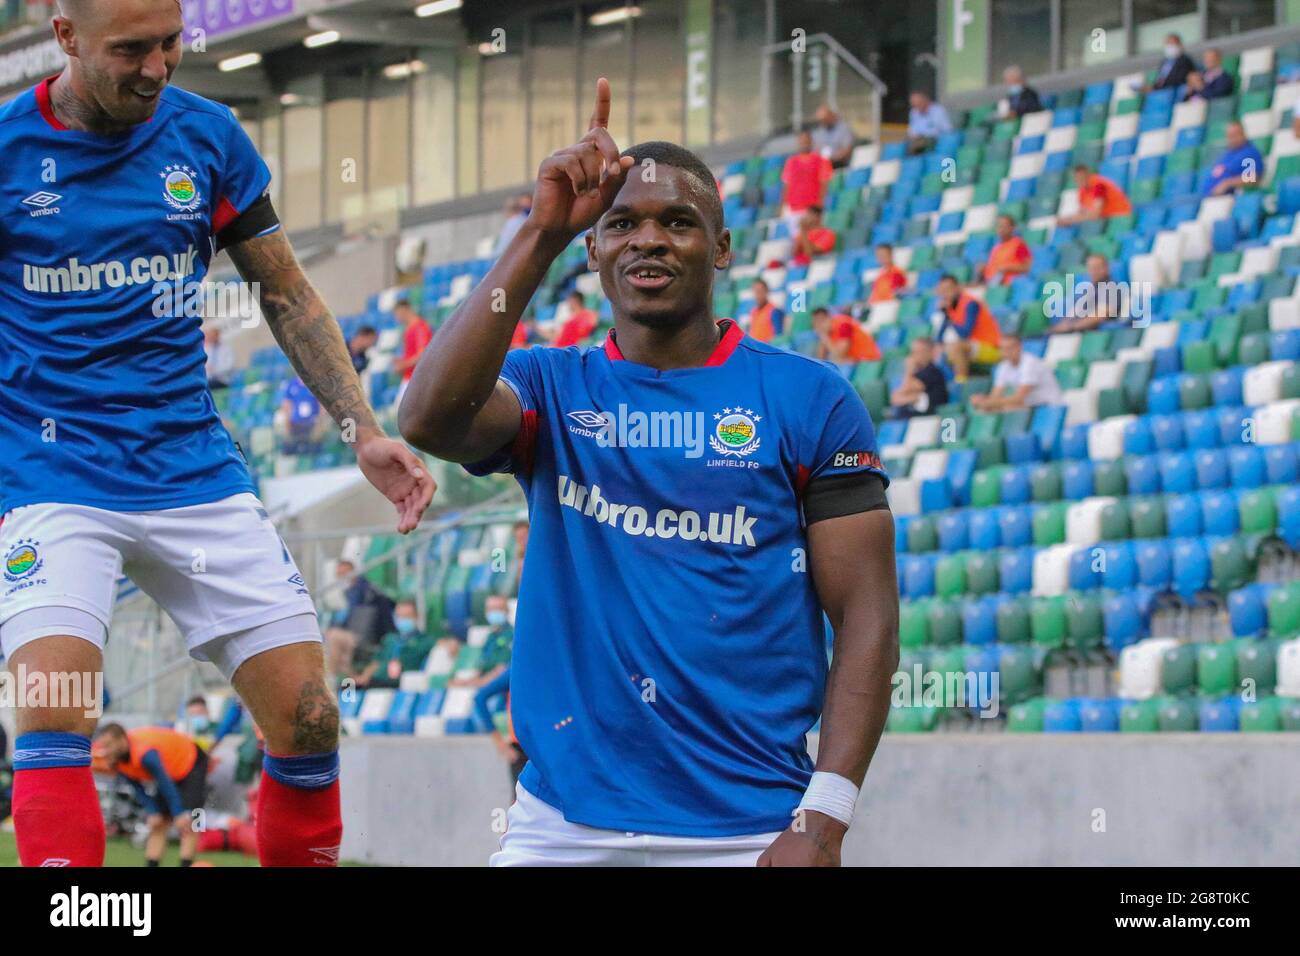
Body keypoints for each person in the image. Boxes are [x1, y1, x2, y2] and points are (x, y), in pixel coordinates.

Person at [399, 79, 897, 867]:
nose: (649, 240)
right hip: (560, 829)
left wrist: (824, 817)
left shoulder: (810, 400)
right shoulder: (548, 387)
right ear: (593, 249)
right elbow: (427, 419)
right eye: (621, 222)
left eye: (678, 223)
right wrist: (541, 232)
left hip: (751, 833)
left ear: (723, 248)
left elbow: (866, 614)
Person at [0, 0, 435, 869]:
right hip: (51, 474)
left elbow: (286, 292)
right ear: (65, 35)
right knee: (54, 706)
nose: (158, 68)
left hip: (192, 467)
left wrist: (361, 429)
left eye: (170, 44)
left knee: (311, 714)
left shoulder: (209, 136)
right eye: (132, 50)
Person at [92, 723, 207, 867]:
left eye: (109, 745)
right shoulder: (116, 759)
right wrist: (153, 811)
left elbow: (164, 781)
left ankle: (186, 864)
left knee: (189, 822)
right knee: (158, 823)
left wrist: (179, 812)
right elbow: (137, 788)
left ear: (122, 740)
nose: (105, 751)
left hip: (192, 760)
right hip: (170, 772)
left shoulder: (145, 753)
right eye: (103, 746)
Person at [323, 558, 396, 682]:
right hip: (351, 638)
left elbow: (383, 623)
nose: (342, 577)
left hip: (366, 639)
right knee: (325, 635)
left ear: (354, 572)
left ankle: (331, 678)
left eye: (345, 573)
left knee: (334, 636)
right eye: (339, 575)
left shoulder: (368, 593)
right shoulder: (347, 594)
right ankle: (343, 679)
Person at [934, 274, 1002, 382]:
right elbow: (939, 338)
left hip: (992, 347)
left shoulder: (970, 303)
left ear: (957, 287)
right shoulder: (950, 307)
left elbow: (965, 333)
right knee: (938, 349)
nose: (946, 293)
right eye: (943, 290)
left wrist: (949, 318)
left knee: (957, 347)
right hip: (973, 348)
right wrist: (945, 314)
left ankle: (961, 383)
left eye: (949, 289)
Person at [970, 333, 1062, 412]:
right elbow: (996, 396)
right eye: (1003, 349)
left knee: (1006, 408)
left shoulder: (1030, 363)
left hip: (1049, 406)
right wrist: (983, 401)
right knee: (990, 410)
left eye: (1010, 348)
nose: (1006, 352)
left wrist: (988, 402)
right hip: (1030, 407)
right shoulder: (1003, 366)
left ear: (1019, 347)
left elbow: (1019, 398)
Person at [355, 599, 434, 689]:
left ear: (416, 617)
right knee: (347, 685)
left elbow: (442, 645)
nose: (402, 620)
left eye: (407, 616)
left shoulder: (425, 641)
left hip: (398, 682)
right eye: (399, 616)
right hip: (377, 680)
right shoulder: (390, 639)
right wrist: (364, 677)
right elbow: (376, 661)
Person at [781, 129, 833, 236]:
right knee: (796, 239)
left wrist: (819, 206)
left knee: (811, 238)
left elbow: (824, 183)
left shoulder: (821, 160)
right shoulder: (791, 161)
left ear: (811, 141)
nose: (804, 143)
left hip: (811, 208)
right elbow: (787, 185)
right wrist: (784, 205)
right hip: (794, 208)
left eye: (806, 140)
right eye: (802, 140)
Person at [1052, 253, 1115, 333]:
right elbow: (1075, 312)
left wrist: (1071, 327)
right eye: (1090, 268)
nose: (1093, 272)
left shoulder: (1111, 288)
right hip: (1076, 330)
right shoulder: (1090, 289)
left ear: (1106, 268)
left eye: (1097, 268)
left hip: (1092, 334)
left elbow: (1100, 315)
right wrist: (1060, 327)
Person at [889, 337, 950, 419]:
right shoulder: (918, 373)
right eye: (913, 352)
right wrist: (909, 398)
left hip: (932, 414)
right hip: (916, 414)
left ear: (929, 352)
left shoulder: (933, 371)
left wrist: (908, 370)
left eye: (918, 352)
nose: (913, 356)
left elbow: (907, 389)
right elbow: (896, 397)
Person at [1204, 121, 1263, 198]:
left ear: (1243, 134)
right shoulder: (1228, 153)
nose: (1231, 139)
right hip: (1208, 198)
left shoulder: (1249, 153)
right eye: (1229, 136)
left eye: (1235, 135)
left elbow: (1252, 177)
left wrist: (1226, 183)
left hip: (1225, 199)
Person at [1058, 164, 1132, 225]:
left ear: (1088, 175)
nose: (1080, 181)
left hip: (1119, 218)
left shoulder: (1098, 185)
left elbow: (1095, 213)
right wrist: (1068, 219)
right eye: (1077, 179)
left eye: (1082, 178)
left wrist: (1070, 220)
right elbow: (1082, 212)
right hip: (1106, 221)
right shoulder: (1082, 191)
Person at [392, 299, 433, 398]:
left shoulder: (419, 327)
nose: (396, 318)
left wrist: (403, 365)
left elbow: (422, 354)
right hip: (410, 376)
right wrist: (402, 362)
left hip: (417, 378)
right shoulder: (408, 329)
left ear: (404, 310)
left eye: (396, 314)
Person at [814, 307, 880, 364]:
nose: (818, 327)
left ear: (827, 318)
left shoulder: (843, 325)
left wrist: (824, 338)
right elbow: (821, 361)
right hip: (855, 361)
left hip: (868, 360)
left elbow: (839, 354)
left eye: (819, 322)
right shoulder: (828, 332)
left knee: (836, 363)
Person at [982, 214, 1032, 286]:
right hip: (993, 284)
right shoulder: (995, 248)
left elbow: (1026, 268)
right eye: (999, 226)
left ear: (1012, 228)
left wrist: (1008, 268)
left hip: (1010, 285)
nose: (1001, 229)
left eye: (1004, 226)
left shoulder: (1018, 244)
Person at [278, 375, 323, 455]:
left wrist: (319, 419)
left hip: (313, 422)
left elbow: (321, 404)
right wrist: (287, 420)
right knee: (284, 431)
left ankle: (316, 452)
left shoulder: (315, 383)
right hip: (295, 422)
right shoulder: (291, 385)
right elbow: (286, 404)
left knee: (318, 435)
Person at [906, 90, 952, 155]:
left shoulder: (938, 110)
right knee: (907, 144)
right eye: (914, 105)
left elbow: (947, 129)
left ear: (925, 100)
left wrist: (925, 135)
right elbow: (911, 131)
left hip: (936, 139)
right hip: (918, 140)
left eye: (919, 103)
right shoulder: (914, 112)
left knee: (916, 146)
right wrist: (915, 136)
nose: (917, 107)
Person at [812, 104, 855, 168]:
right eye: (821, 120)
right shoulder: (818, 132)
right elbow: (815, 150)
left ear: (831, 116)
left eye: (825, 119)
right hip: (823, 166)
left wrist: (832, 158)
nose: (823, 122)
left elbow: (847, 150)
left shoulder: (844, 129)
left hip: (840, 165)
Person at [746, 278, 785, 343]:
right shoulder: (753, 312)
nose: (758, 295)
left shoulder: (774, 311)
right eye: (755, 292)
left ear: (766, 292)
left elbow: (778, 339)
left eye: (760, 291)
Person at [204, 325, 235, 389]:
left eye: (213, 336)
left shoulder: (226, 349)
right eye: (209, 336)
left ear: (217, 336)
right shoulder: (207, 350)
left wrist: (214, 370)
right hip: (210, 379)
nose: (210, 338)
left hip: (223, 380)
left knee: (207, 386)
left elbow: (229, 367)